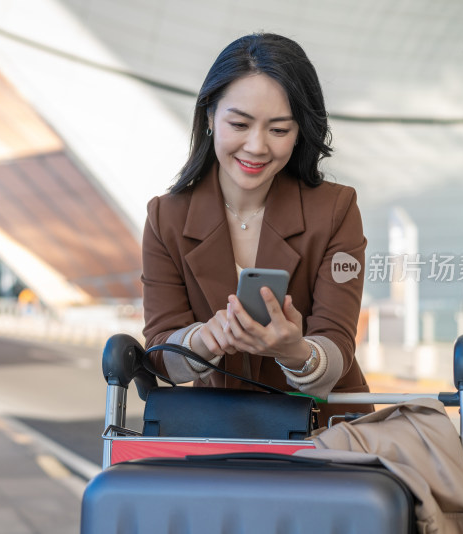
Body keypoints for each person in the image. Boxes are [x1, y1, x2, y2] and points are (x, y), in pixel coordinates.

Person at [142, 33, 372, 424]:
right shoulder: (167, 218)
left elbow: (337, 344)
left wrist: (295, 350)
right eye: (240, 124)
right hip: (218, 430)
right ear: (210, 117)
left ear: (300, 132)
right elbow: (161, 353)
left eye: (279, 130)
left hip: (326, 434)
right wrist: (201, 341)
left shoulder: (336, 209)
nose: (256, 146)